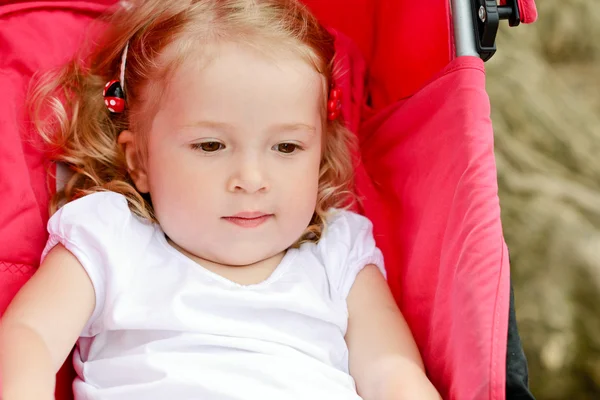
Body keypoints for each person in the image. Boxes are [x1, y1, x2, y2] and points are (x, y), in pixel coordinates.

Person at [0, 0, 441, 399]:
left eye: (286, 148)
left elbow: (391, 370)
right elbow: (30, 335)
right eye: (210, 146)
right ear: (139, 162)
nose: (251, 180)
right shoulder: (111, 236)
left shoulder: (338, 252)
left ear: (320, 152)